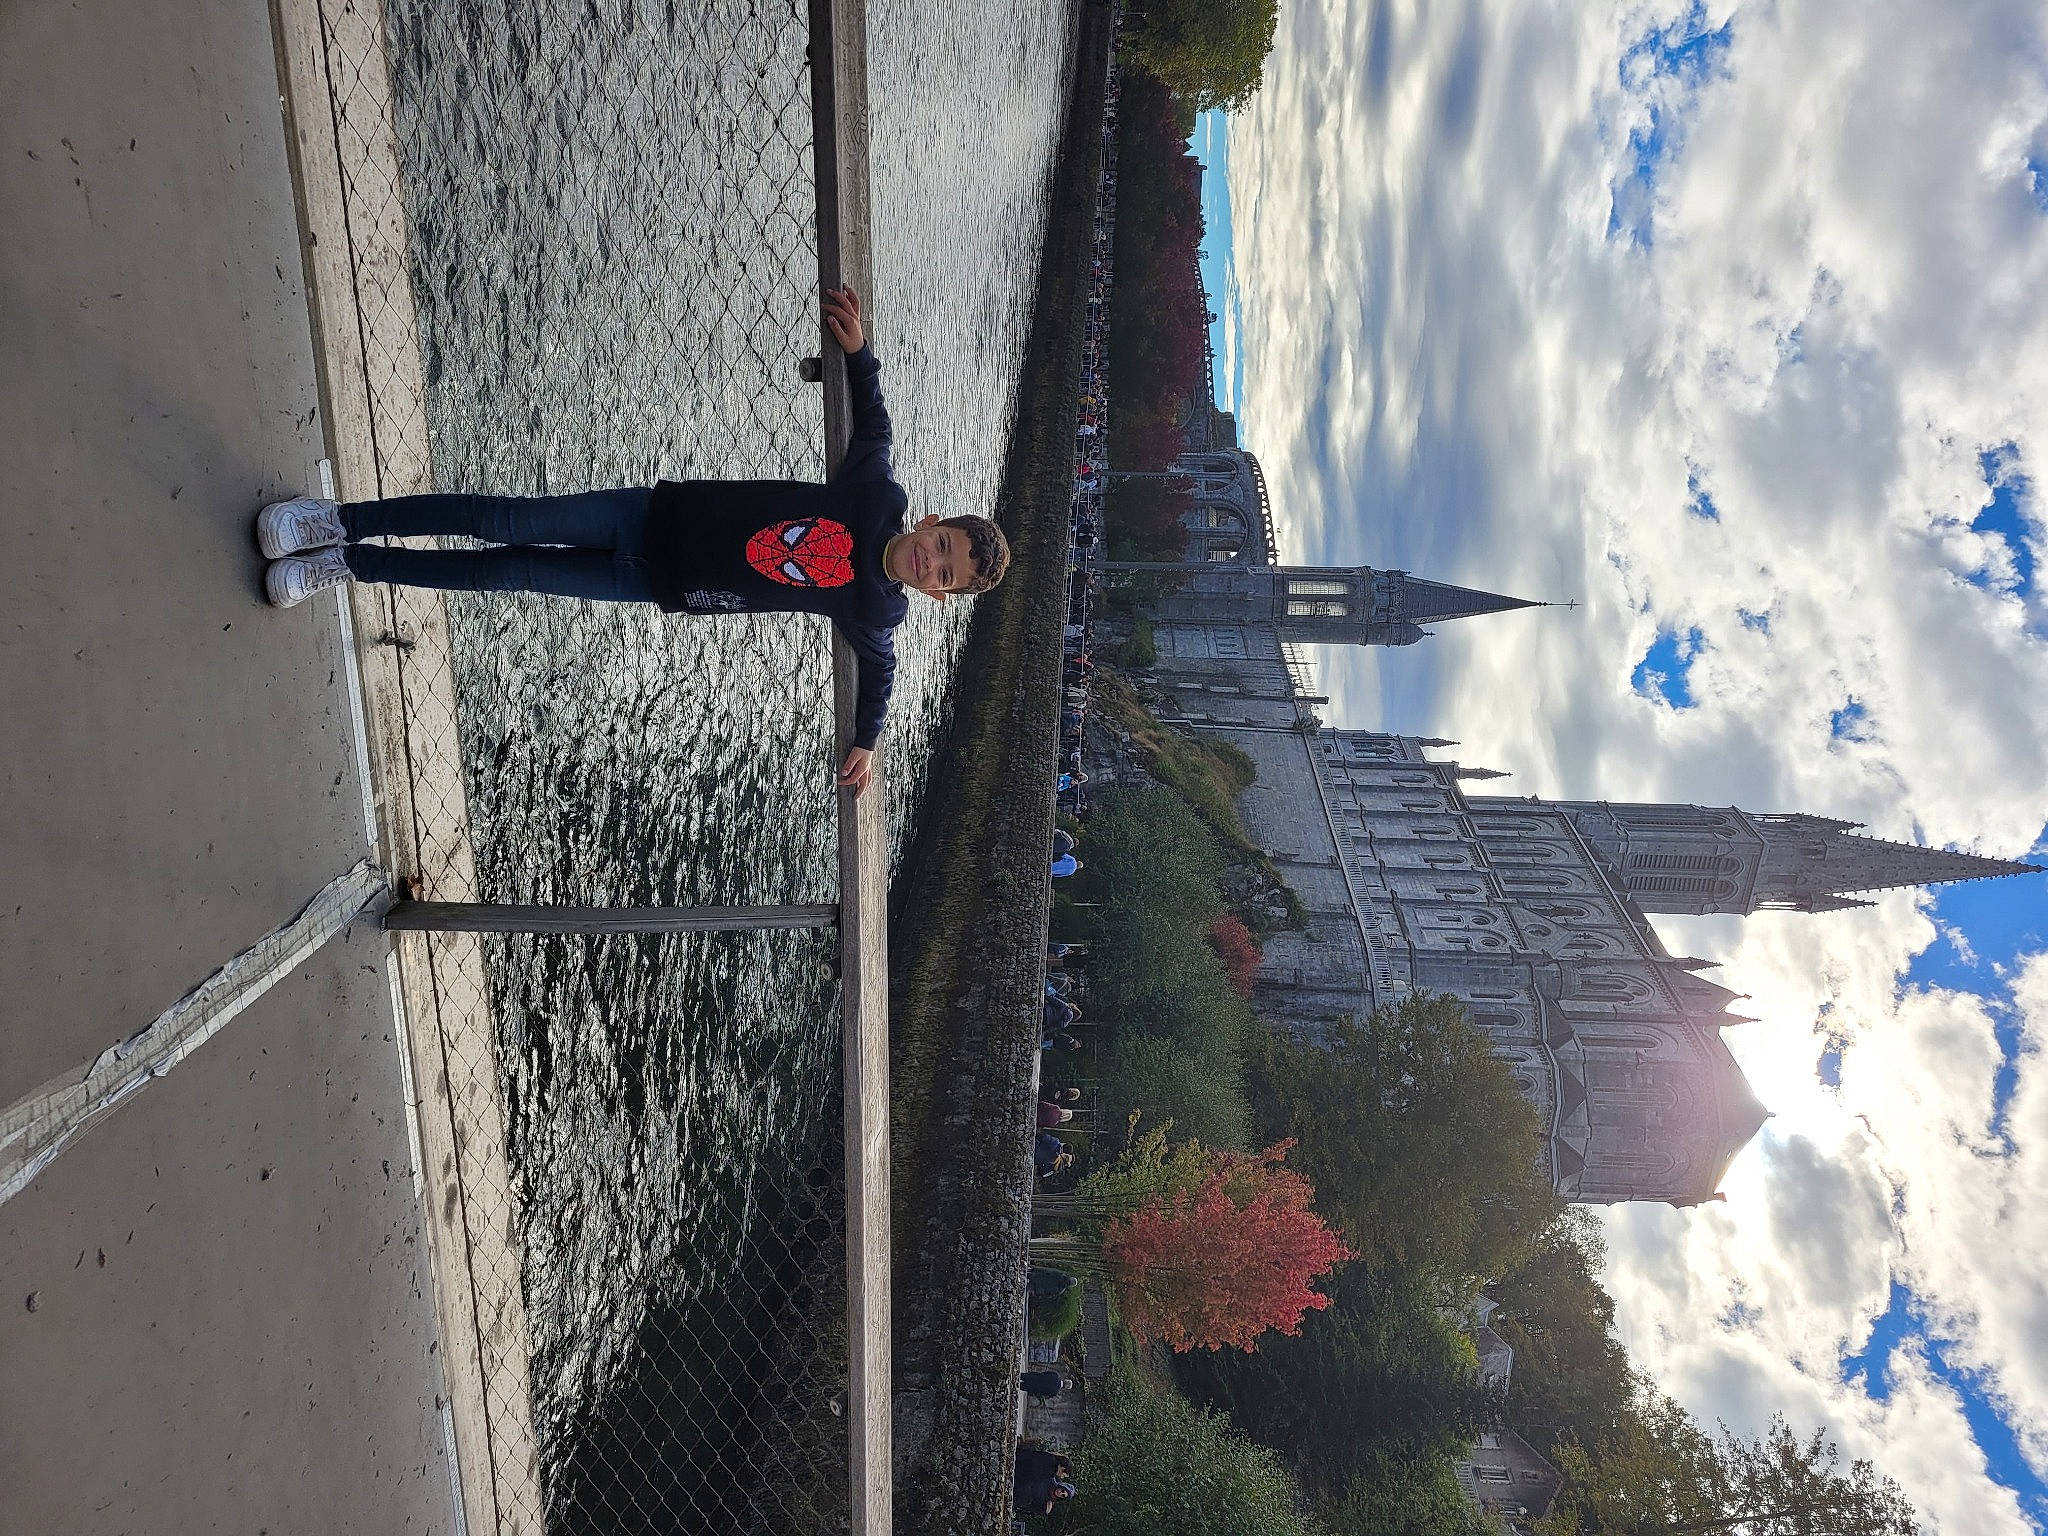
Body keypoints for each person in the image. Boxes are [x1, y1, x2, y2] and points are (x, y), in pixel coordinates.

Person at [254, 286, 1010, 797]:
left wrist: (869, 741)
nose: (931, 561)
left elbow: (880, 676)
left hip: (656, 586)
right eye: (942, 543)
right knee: (502, 521)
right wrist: (859, 353)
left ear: (939, 596)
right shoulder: (878, 498)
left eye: (944, 573)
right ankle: (337, 520)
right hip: (650, 516)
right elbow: (874, 426)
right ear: (930, 522)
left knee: (502, 575)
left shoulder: (875, 612)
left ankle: (347, 564)